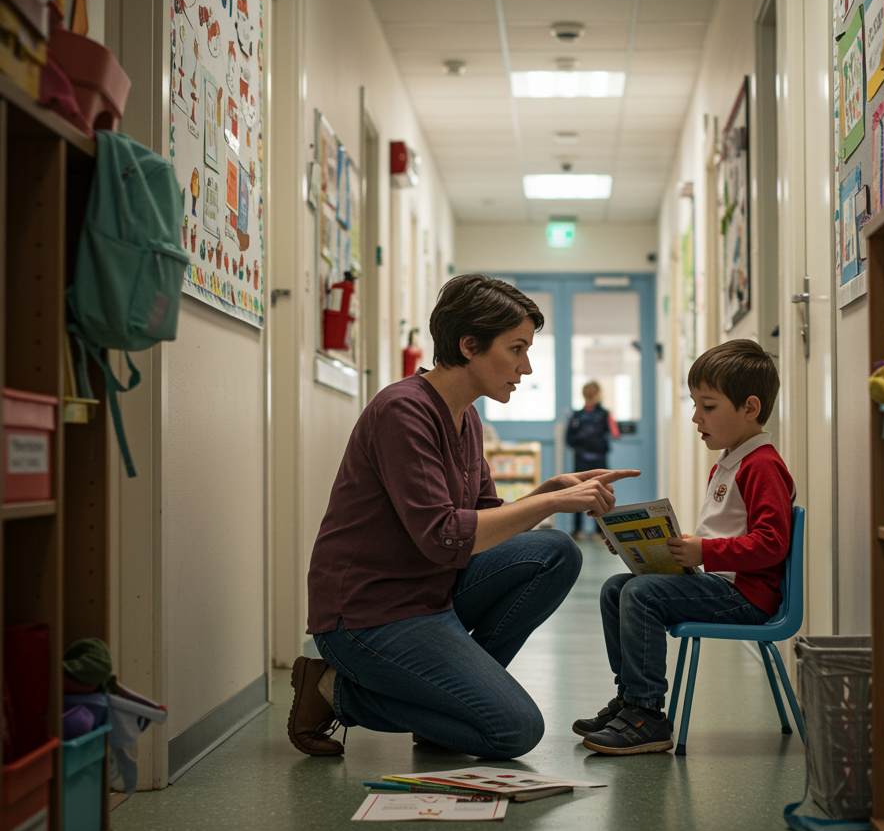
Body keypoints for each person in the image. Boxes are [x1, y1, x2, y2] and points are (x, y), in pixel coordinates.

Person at [289, 274, 640, 761]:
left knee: (554, 552)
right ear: (469, 345)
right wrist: (552, 505)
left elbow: (484, 521)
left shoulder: (467, 417)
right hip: (368, 617)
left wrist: (547, 490)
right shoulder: (402, 412)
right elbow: (443, 537)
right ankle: (332, 691)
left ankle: (452, 706)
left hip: (430, 594)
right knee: (514, 732)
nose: (527, 366)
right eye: (516, 349)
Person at [573, 339, 794, 754]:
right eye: (696, 405)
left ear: (749, 408)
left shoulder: (763, 466)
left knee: (640, 593)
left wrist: (705, 553)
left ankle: (646, 714)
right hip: (722, 585)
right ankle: (628, 701)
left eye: (707, 407)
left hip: (747, 597)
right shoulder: (729, 462)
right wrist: (635, 545)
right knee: (616, 589)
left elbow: (773, 544)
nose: (696, 417)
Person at [566, 381, 619, 541]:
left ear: (598, 395)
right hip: (581, 459)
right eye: (587, 395)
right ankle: (577, 529)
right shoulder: (577, 416)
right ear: (583, 396)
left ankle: (600, 530)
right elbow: (569, 438)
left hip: (599, 460)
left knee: (601, 493)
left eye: (592, 395)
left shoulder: (604, 414)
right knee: (577, 492)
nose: (590, 398)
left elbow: (615, 433)